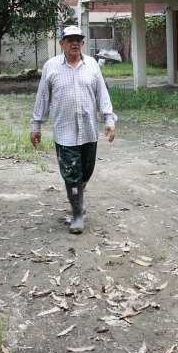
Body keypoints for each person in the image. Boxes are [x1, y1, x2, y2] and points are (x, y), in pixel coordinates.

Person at [29, 25, 117, 234]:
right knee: (71, 174)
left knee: (86, 171)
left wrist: (109, 120)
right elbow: (42, 98)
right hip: (65, 132)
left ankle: (78, 197)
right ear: (62, 43)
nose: (75, 43)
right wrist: (36, 125)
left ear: (83, 43)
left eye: (78, 39)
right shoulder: (51, 66)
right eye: (70, 40)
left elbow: (102, 94)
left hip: (89, 130)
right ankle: (76, 213)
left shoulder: (92, 65)